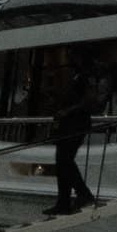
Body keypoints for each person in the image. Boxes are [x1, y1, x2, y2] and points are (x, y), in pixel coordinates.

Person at [45, 82, 96, 215]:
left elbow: (89, 101)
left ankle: (83, 194)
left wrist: (67, 111)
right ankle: (63, 202)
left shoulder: (85, 76)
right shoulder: (74, 77)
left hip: (76, 125)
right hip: (67, 124)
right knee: (61, 162)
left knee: (65, 160)